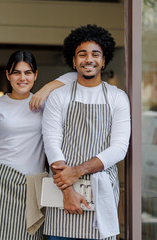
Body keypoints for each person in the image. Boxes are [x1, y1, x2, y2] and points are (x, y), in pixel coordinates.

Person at [0, 50, 76, 240]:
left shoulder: (46, 104)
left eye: (28, 72)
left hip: (32, 185)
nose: (22, 78)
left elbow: (75, 75)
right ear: (8, 75)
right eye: (16, 72)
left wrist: (46, 89)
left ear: (35, 75)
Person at [42, 25, 131, 240]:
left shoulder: (117, 97)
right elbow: (51, 143)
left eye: (95, 54)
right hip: (62, 191)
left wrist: (77, 171)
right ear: (73, 61)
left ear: (103, 60)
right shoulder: (58, 96)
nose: (88, 59)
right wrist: (68, 190)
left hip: (101, 192)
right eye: (82, 54)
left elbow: (119, 149)